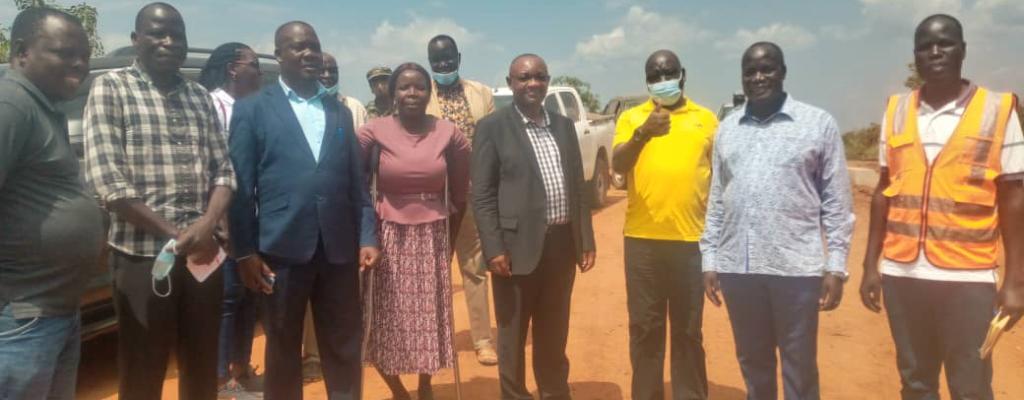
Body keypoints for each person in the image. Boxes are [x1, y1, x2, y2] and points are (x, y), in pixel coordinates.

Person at [859, 14, 1024, 400]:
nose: (935, 52)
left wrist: (1016, 281)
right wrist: (870, 265)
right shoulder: (897, 110)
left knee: (970, 386)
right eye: (924, 46)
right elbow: (884, 191)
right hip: (903, 274)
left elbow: (1014, 198)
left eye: (945, 43)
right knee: (915, 383)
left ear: (963, 50)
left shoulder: (998, 110)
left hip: (967, 278)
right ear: (915, 55)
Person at [84, 3, 236, 399]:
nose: (169, 42)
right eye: (157, 33)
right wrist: (180, 235)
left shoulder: (200, 97)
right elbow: (108, 181)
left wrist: (207, 224)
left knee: (202, 362)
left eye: (177, 35)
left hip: (203, 256)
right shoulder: (111, 88)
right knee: (143, 367)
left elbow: (224, 171)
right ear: (136, 40)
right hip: (141, 257)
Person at [228, 21, 380, 400]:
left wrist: (367, 235)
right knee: (282, 345)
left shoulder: (339, 112)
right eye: (298, 47)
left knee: (344, 343)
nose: (309, 53)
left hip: (339, 249)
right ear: (278, 56)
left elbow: (356, 184)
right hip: (279, 249)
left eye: (313, 46)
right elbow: (241, 189)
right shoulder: (251, 110)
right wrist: (244, 252)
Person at [700, 42, 854, 400]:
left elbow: (837, 203)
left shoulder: (817, 124)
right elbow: (717, 200)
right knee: (753, 363)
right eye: (749, 71)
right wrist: (710, 259)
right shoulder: (728, 128)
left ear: (783, 72)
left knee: (799, 366)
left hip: (796, 270)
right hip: (739, 268)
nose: (758, 77)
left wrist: (835, 265)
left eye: (767, 69)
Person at [472, 53, 597, 400]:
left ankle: (554, 392)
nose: (533, 83)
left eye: (540, 77)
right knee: (512, 337)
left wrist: (584, 237)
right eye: (524, 77)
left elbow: (577, 186)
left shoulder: (562, 125)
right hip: (513, 250)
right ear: (511, 83)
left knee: (554, 332)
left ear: (548, 81)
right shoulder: (491, 128)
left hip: (560, 246)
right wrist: (494, 248)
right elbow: (481, 196)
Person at [0, 8, 102, 400]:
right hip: (22, 317)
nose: (79, 63)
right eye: (64, 52)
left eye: (84, 55)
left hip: (56, 312)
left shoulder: (43, 107)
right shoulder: (11, 105)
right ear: (22, 52)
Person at [358, 62, 471, 400]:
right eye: (404, 87)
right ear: (392, 93)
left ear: (429, 92)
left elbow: (461, 188)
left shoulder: (449, 133)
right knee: (382, 317)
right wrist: (364, 234)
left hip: (431, 233)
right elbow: (355, 183)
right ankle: (397, 390)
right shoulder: (371, 132)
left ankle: (425, 385)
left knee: (429, 316)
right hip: (387, 233)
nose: (411, 93)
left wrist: (451, 230)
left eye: (419, 87)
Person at [611, 49, 718, 400]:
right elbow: (618, 163)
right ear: (647, 81)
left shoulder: (706, 120)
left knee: (688, 331)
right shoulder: (631, 118)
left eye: (668, 73)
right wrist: (644, 133)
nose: (662, 81)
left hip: (691, 242)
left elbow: (720, 181)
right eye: (655, 76)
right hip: (642, 243)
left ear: (682, 74)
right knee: (645, 330)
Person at [425, 33, 499, 366]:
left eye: (448, 58)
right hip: (433, 198)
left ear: (459, 56)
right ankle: (435, 339)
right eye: (436, 61)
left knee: (475, 268)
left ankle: (482, 340)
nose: (443, 65)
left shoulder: (482, 93)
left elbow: (492, 143)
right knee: (434, 271)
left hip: (473, 195)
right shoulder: (421, 93)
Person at [298, 51, 371, 382]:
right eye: (323, 70)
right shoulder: (291, 109)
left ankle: (344, 357)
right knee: (307, 299)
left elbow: (360, 167)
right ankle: (313, 356)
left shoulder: (351, 109)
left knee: (343, 300)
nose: (327, 76)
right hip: (301, 222)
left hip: (343, 217)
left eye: (333, 71)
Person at [198, 41, 264, 398]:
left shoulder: (253, 107)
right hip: (222, 218)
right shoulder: (212, 105)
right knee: (226, 296)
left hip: (251, 217)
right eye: (254, 64)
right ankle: (220, 377)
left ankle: (242, 364)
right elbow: (211, 167)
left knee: (249, 293)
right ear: (233, 69)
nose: (260, 71)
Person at [320, 52, 368, 129]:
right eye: (321, 71)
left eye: (332, 71)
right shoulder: (305, 108)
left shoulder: (355, 107)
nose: (327, 75)